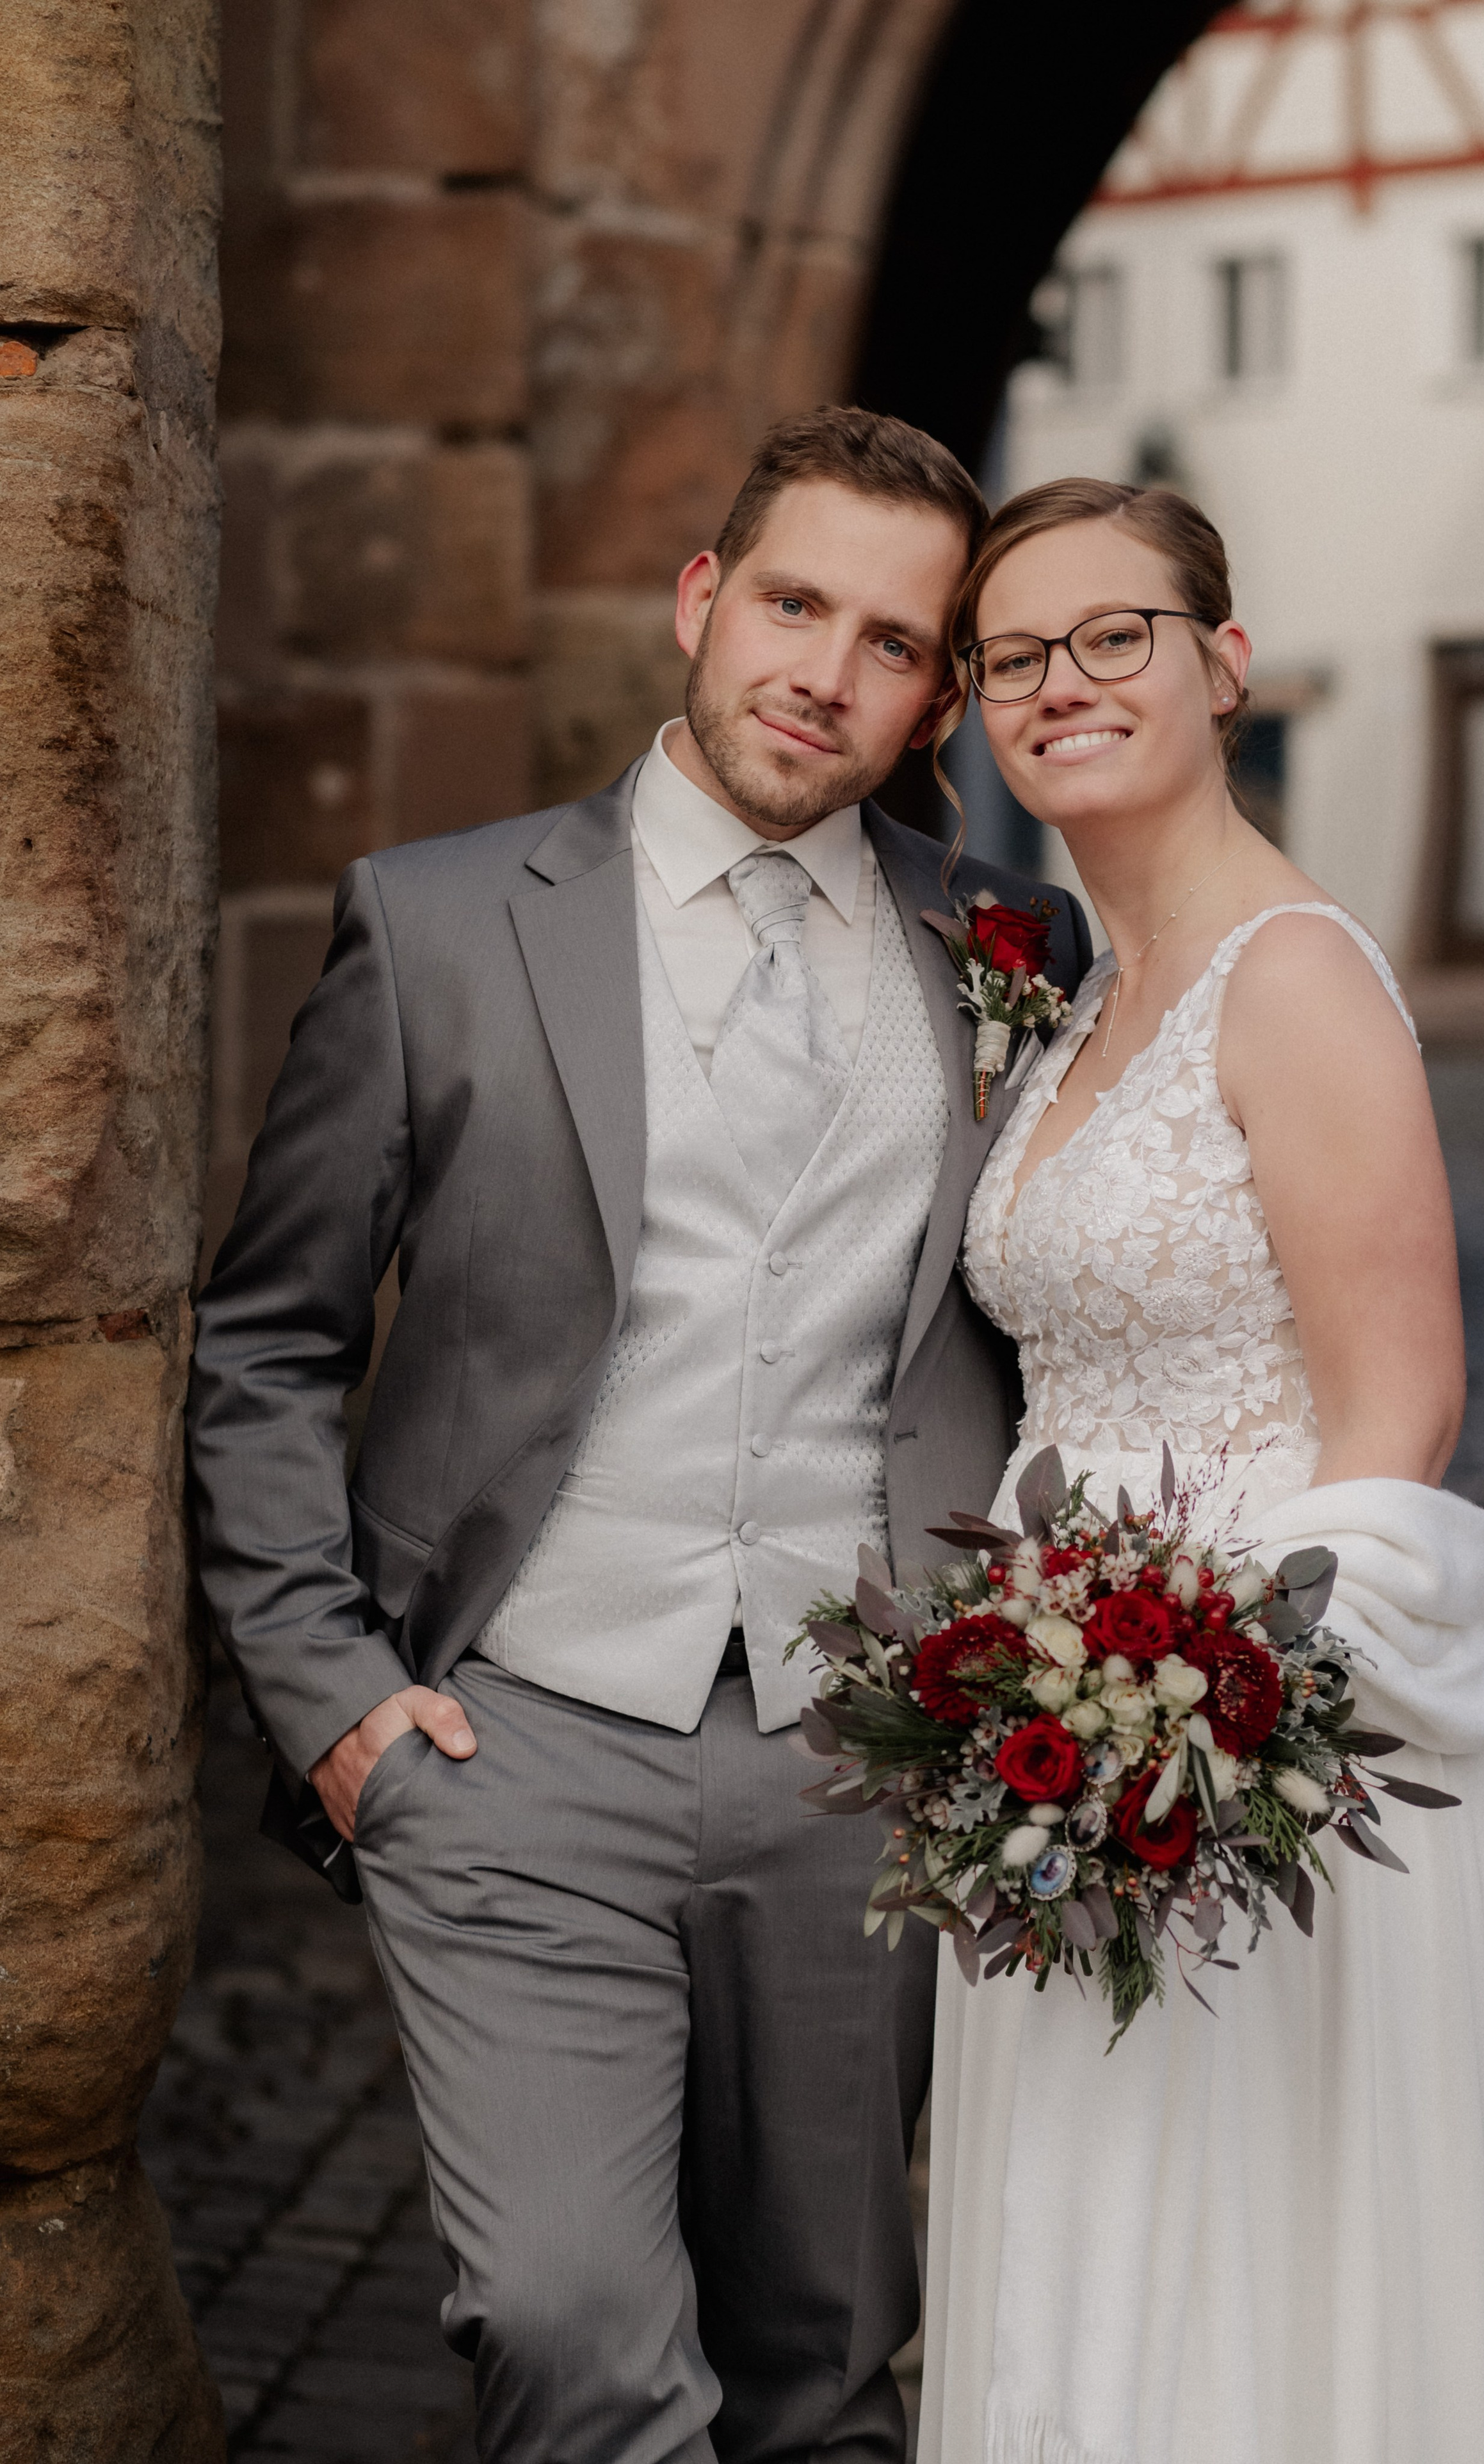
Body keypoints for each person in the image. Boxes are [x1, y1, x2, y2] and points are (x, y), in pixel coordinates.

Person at [186, 406, 1092, 2464]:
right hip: (517, 1745)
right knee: (571, 2329)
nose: (821, 672)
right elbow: (264, 1344)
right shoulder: (439, 927)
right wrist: (335, 1701)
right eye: (791, 603)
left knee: (821, 2372)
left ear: (936, 691)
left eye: (889, 641)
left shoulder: (1015, 958)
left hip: (860, 1769)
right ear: (702, 599)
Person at [917, 478, 1484, 2464]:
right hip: (1062, 1746)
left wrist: (1199, 1726)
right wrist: (1051, 1707)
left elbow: (1400, 1410)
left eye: (1112, 636)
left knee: (1259, 2293)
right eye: (1012, 658)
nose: (1060, 684)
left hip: (1250, 1754)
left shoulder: (1294, 977)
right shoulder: (1067, 1006)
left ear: (1224, 665)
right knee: (1094, 2267)